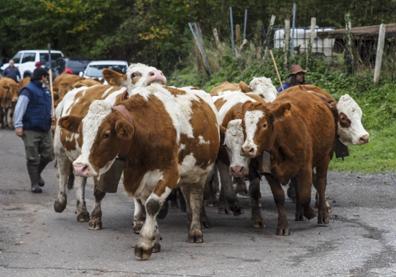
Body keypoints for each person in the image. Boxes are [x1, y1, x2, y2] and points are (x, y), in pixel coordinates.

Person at [13, 68, 54, 193]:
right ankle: (34, 184)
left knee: (49, 155)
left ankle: (37, 174)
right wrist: (18, 125)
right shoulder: (28, 90)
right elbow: (19, 108)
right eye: (46, 77)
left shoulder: (46, 91)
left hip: (45, 128)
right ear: (42, 77)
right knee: (32, 158)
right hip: (30, 129)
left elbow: (48, 107)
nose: (47, 80)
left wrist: (51, 116)